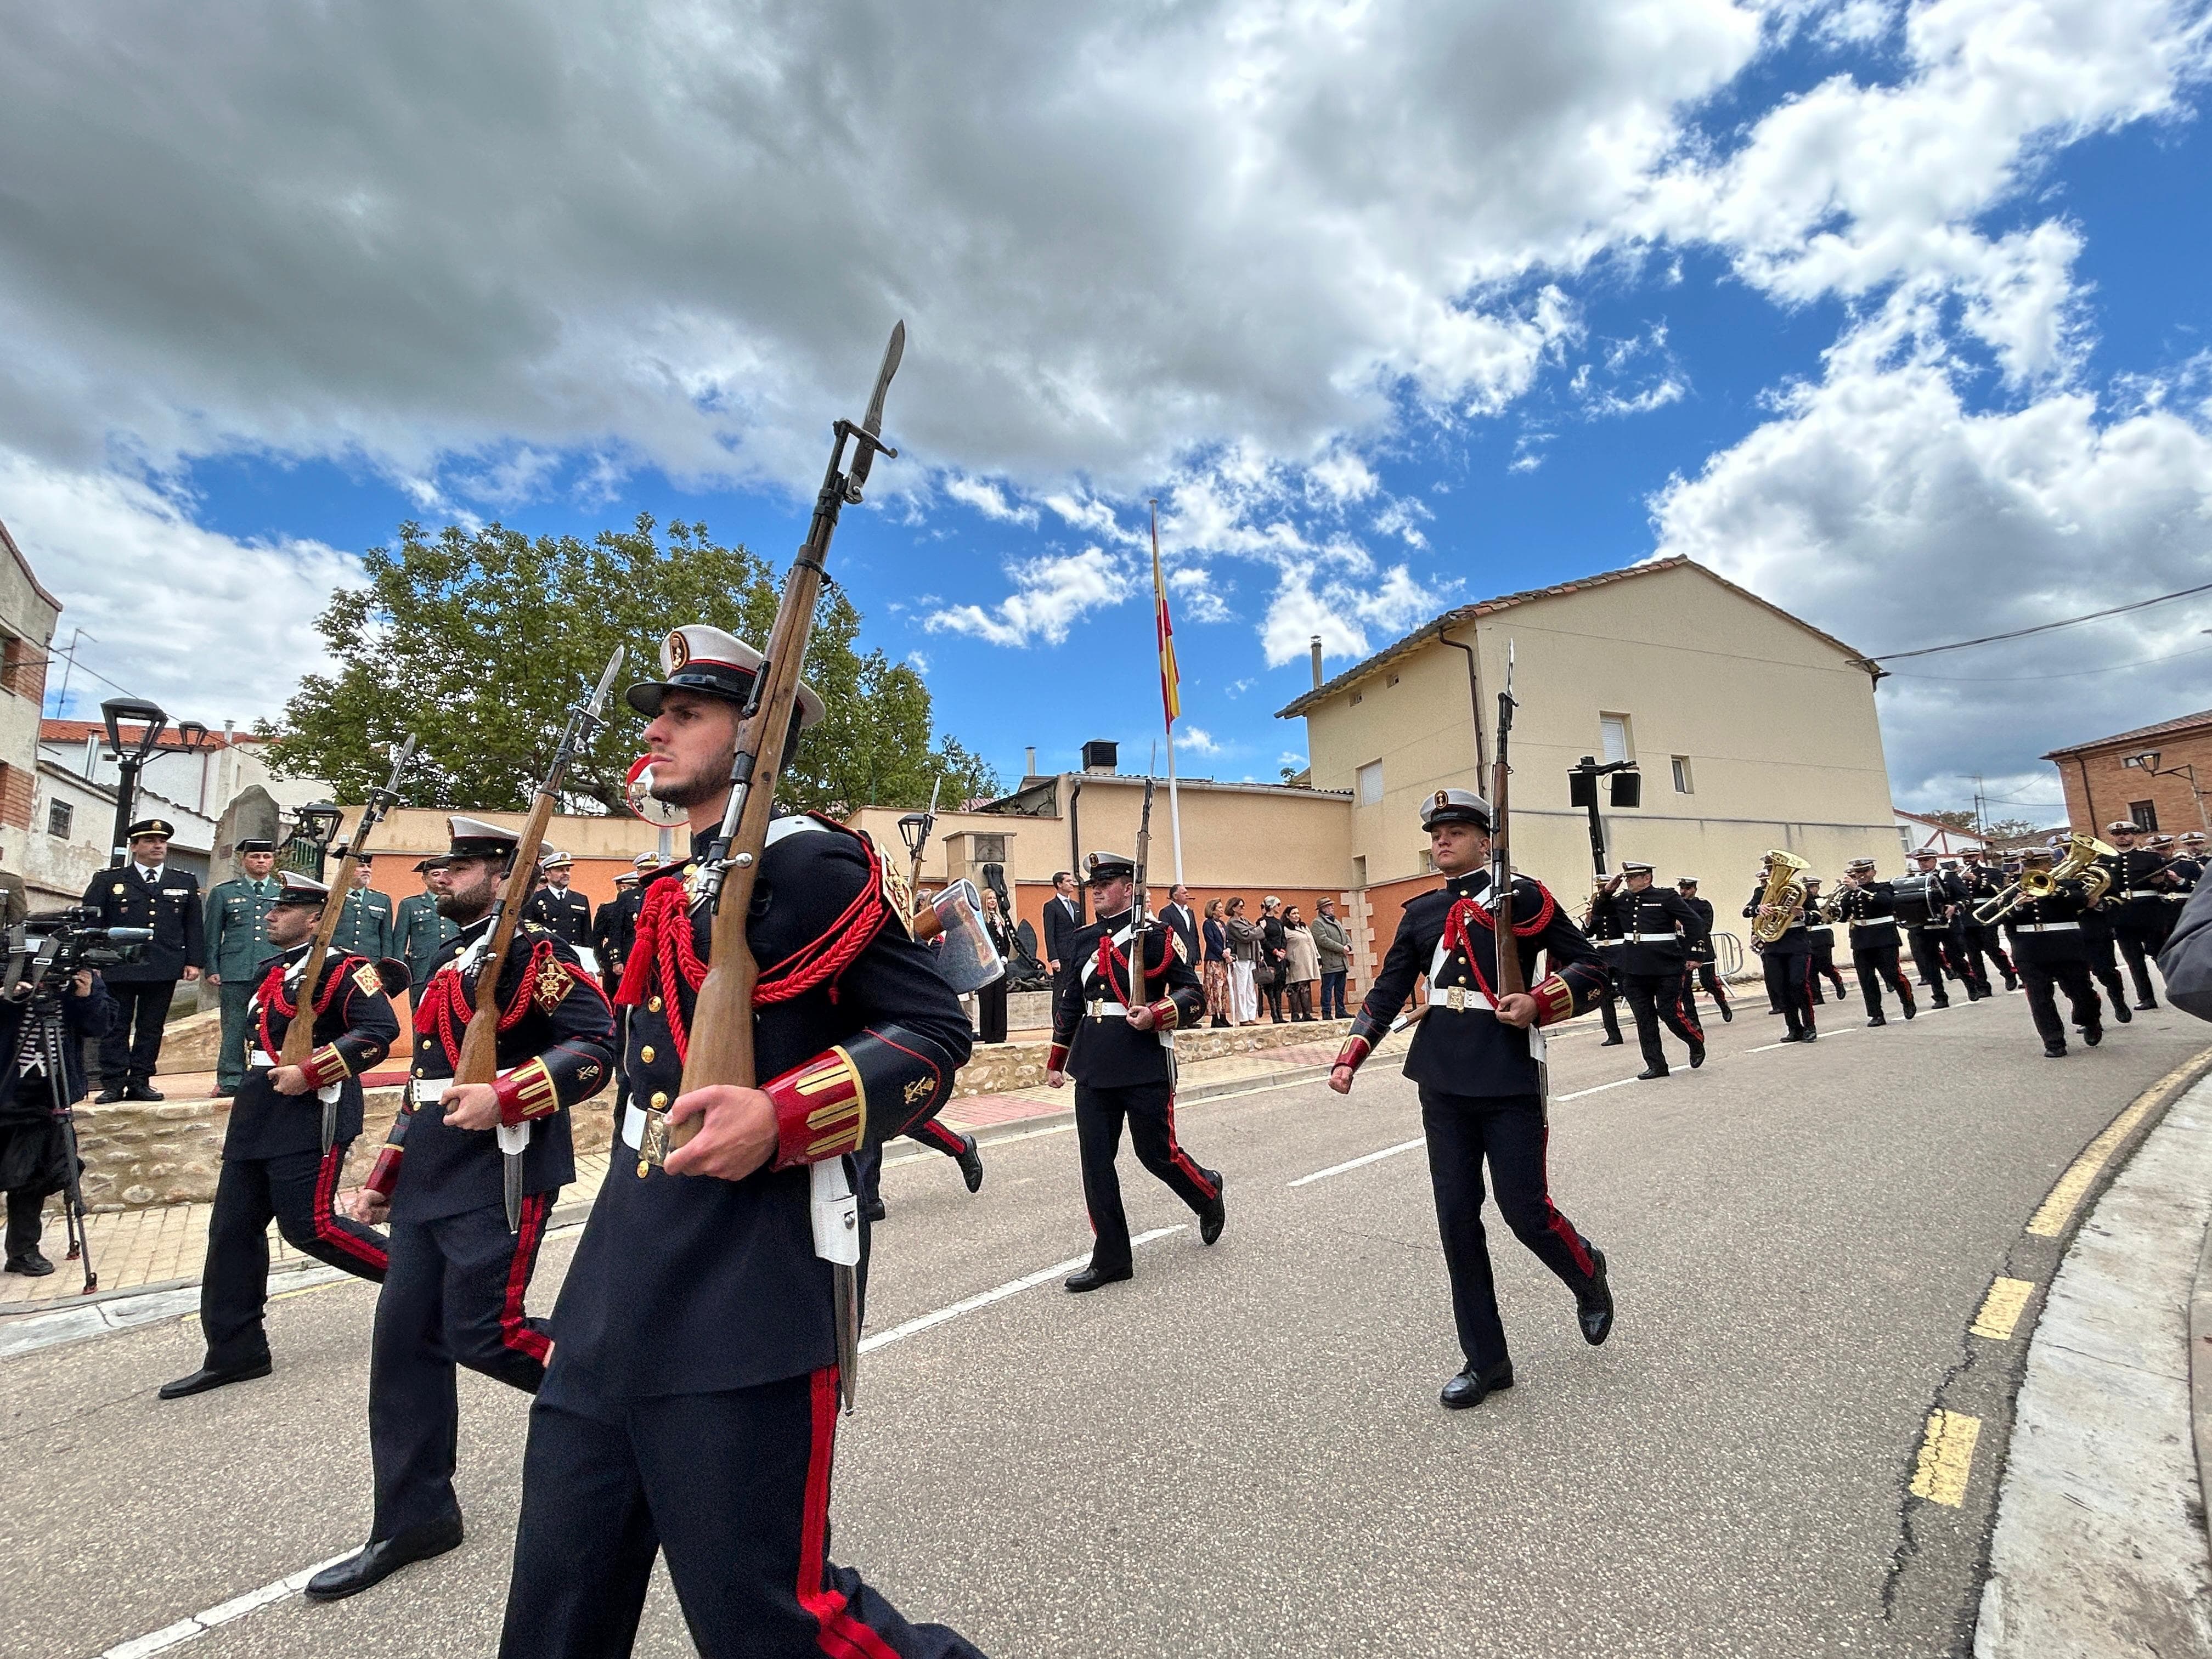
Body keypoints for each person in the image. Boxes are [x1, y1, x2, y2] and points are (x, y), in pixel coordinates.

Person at [498, 624, 988, 1658]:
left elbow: (935, 1031)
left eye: (687, 713)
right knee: (555, 1599)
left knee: (769, 1618)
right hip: (620, 1265)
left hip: (747, 1280)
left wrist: (785, 1113)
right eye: (656, 715)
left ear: (754, 733)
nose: (657, 733)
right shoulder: (672, 884)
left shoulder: (812, 862)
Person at [306, 816, 617, 1604]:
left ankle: (628, 1403)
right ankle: (414, 1516)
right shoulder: (450, 957)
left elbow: (595, 1049)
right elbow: (426, 1085)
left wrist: (512, 1093)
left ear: (502, 874)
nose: (439, 878)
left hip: (502, 1168)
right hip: (432, 1176)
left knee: (488, 1334)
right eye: (440, 867)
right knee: (405, 1345)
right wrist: (387, 1172)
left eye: (459, 866)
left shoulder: (537, 958)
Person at [1327, 788, 1612, 1409]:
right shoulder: (1422, 912)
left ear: (1486, 838)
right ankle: (1487, 1362)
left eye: (1456, 831)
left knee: (1525, 1212)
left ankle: (1587, 1273)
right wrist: (1354, 1051)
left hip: (1508, 1075)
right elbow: (1389, 987)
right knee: (1458, 1220)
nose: (1442, 842)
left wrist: (1541, 1002)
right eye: (1436, 833)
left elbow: (1591, 968)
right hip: (1442, 1077)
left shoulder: (1525, 896)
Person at [159, 872, 399, 1398]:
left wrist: (312, 1072)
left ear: (316, 919)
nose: (269, 915)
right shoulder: (274, 970)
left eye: (284, 908)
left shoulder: (348, 969)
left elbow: (379, 1033)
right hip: (259, 1106)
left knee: (311, 1228)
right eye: (272, 907)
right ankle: (235, 1351)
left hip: (314, 1108)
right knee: (231, 1234)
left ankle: (422, 1281)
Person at [1047, 850, 1223, 1293]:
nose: (1097, 892)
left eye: (1106, 884)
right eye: (1093, 886)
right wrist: (1057, 1058)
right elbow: (1073, 1001)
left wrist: (1160, 1013)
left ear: (1129, 887)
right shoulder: (1083, 939)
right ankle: (1111, 1257)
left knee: (1156, 1153)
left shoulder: (1158, 936)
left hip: (1143, 1061)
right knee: (1096, 1164)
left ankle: (1207, 1192)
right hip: (1093, 1063)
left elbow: (1194, 995)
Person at [0, 959, 111, 1276]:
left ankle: (22, 1251)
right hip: (5, 1088)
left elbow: (100, 1026)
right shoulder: (7, 969)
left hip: (48, 1096)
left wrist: (86, 995)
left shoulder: (79, 975)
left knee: (34, 1177)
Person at [80, 817, 204, 1103]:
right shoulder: (109, 881)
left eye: (162, 841)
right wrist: (92, 960)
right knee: (116, 1024)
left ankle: (140, 1080)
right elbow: (91, 921)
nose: (157, 845)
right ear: (134, 846)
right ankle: (112, 1082)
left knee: (151, 1027)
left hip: (163, 964)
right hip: (118, 965)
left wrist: (194, 961)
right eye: (149, 841)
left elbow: (193, 924)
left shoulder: (183, 881)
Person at [1592, 862, 1706, 1079]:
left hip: (1666, 966)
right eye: (1627, 878)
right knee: (1644, 1018)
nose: (1628, 881)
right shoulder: (1623, 899)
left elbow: (1695, 922)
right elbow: (1600, 913)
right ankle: (1656, 1065)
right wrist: (1607, 892)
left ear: (1647, 879)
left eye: (1633, 878)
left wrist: (1696, 955)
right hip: (1634, 968)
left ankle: (1694, 1040)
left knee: (1669, 1013)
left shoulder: (1667, 897)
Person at [1997, 843, 2104, 1059]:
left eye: (2038, 864)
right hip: (2029, 950)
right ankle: (2054, 1041)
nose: (2032, 868)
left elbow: (2082, 901)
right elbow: (2000, 917)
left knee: (2081, 992)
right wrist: (2017, 906)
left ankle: (2089, 1019)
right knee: (2039, 998)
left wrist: (2056, 891)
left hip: (2066, 946)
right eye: (2027, 864)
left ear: (2050, 863)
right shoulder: (2015, 890)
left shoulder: (2070, 883)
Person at [203, 838, 283, 1097]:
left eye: (266, 857)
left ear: (273, 861)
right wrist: (212, 967)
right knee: (235, 1025)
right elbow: (212, 935)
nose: (261, 861)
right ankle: (230, 1078)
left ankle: (266, 1075)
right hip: (236, 968)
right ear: (244, 860)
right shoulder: (224, 892)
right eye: (255, 857)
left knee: (272, 1023)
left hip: (273, 968)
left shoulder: (282, 892)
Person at [1826, 859, 1917, 1025]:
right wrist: (1827, 911)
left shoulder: (1884, 887)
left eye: (1865, 872)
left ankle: (1907, 1000)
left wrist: (1858, 889)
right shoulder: (1849, 894)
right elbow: (1843, 917)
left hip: (1884, 939)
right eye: (1858, 872)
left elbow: (1885, 902)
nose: (1861, 875)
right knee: (1866, 979)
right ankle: (1876, 1014)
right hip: (1861, 940)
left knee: (1892, 974)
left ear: (1873, 873)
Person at [2103, 820, 2177, 1011]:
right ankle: (2146, 997)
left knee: (2160, 954)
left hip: (2149, 912)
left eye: (2127, 833)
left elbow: (2167, 887)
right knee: (2134, 960)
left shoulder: (2150, 858)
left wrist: (2161, 882)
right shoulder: (2105, 860)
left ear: (2134, 836)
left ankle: (2176, 990)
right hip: (2121, 915)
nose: (2122, 837)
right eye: (2118, 834)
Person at [1745, 855, 1819, 1043]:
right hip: (1774, 946)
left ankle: (1810, 1027)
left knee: (1798, 984)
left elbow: (1818, 915)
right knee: (1781, 987)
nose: (1772, 874)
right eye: (1770, 870)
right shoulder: (1760, 892)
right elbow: (1746, 911)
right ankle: (1794, 1028)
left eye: (1774, 870)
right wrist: (1758, 909)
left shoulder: (1799, 890)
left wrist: (1803, 915)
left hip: (1797, 945)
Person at [1898, 850, 1964, 1008]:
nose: (1923, 864)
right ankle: (1939, 997)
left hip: (1948, 925)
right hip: (1925, 926)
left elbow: (1965, 897)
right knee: (1931, 963)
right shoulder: (1914, 879)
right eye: (1920, 861)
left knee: (1956, 959)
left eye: (1927, 860)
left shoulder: (1948, 876)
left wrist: (1955, 907)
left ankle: (1971, 983)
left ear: (1935, 860)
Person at [392, 859, 457, 999]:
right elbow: (399, 944)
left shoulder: (459, 903)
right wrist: (399, 975)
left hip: (453, 969)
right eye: (436, 874)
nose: (442, 878)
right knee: (420, 1016)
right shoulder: (410, 905)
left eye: (446, 874)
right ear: (424, 879)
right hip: (422, 971)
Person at [1959, 853, 2021, 993]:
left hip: (1985, 915)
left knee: (1992, 949)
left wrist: (1977, 880)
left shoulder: (1991, 872)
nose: (1968, 860)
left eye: (1971, 857)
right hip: (1966, 918)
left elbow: (1998, 890)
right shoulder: (1958, 876)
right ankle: (1982, 986)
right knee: (1973, 955)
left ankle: (2008, 973)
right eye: (1965, 858)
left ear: (1979, 858)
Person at [1673, 877, 1731, 1024]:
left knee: (1708, 982)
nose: (1683, 892)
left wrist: (1683, 925)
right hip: (1683, 951)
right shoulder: (1676, 905)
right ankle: (1693, 1019)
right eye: (1682, 888)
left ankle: (1723, 1004)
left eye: (1687, 888)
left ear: (1694, 889)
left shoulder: (1703, 905)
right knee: (1685, 987)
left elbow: (1706, 927)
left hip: (1702, 948)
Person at [1582, 878, 1628, 1046]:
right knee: (1605, 996)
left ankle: (1645, 1028)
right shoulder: (1598, 909)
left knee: (1629, 991)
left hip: (1620, 951)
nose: (1601, 891)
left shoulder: (1620, 904)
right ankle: (1614, 1035)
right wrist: (1589, 919)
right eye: (1600, 888)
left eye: (1604, 887)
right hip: (1603, 953)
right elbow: (1588, 934)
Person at [523, 849, 594, 949]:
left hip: (575, 954)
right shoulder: (535, 899)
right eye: (560, 870)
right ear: (548, 875)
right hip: (549, 953)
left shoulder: (580, 899)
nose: (566, 873)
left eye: (567, 870)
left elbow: (587, 935)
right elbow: (528, 932)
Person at [329, 855, 396, 962]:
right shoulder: (332, 898)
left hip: (370, 962)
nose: (367, 870)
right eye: (361, 866)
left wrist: (384, 966)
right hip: (338, 960)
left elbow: (386, 939)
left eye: (369, 866)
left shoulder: (382, 900)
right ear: (345, 869)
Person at [974, 885, 1014, 1045]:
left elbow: (1005, 941)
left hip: (1000, 964)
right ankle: (988, 1034)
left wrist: (1004, 956)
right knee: (987, 998)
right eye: (989, 898)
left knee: (1000, 999)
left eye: (994, 898)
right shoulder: (982, 920)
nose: (992, 901)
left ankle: (1000, 1033)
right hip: (987, 964)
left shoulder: (1000, 919)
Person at [1799, 878, 1848, 1003]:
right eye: (1808, 888)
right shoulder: (1800, 903)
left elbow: (1834, 915)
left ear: (1817, 888)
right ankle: (1817, 996)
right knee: (1810, 970)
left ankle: (1838, 982)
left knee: (1825, 966)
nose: (1810, 890)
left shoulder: (1824, 901)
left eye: (1812, 887)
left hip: (1821, 936)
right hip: (1806, 936)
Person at [1312, 896, 1351, 1019]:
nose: (1332, 908)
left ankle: (1341, 1010)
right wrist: (1341, 948)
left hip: (1341, 962)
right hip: (1329, 963)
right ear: (1323, 908)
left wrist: (1349, 946)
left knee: (1340, 990)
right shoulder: (1318, 923)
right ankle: (1327, 1012)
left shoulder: (1337, 922)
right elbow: (1323, 940)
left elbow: (1346, 935)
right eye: (1329, 906)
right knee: (1327, 989)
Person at [1225, 896, 1262, 1025]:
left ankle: (1252, 1016)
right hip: (1241, 957)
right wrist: (1259, 929)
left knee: (1250, 988)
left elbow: (1254, 934)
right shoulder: (1233, 923)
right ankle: (1243, 1018)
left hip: (1251, 957)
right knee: (1241, 988)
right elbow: (1247, 936)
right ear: (1233, 908)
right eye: (1241, 906)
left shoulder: (1244, 920)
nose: (1243, 908)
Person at [1041, 869, 1084, 977]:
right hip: (1062, 956)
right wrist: (1054, 958)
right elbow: (1049, 934)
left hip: (1077, 954)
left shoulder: (1076, 906)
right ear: (1059, 884)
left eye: (1072, 881)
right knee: (1060, 989)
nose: (1072, 884)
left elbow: (1081, 929)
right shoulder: (1051, 906)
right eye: (1068, 881)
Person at [1283, 905, 1320, 1020]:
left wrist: (1318, 957)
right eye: (1294, 914)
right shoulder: (1285, 929)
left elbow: (1312, 942)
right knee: (1294, 987)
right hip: (1294, 961)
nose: (1296, 916)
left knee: (1305, 986)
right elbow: (1283, 944)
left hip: (1307, 961)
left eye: (1298, 913)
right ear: (1288, 916)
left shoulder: (1304, 927)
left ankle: (1307, 1013)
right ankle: (1295, 1014)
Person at [1201, 898, 1234, 1027]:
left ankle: (1223, 1015)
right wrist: (1222, 953)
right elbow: (1211, 942)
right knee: (1215, 988)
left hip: (1223, 961)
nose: (1222, 910)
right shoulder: (1208, 924)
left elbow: (1229, 939)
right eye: (1219, 907)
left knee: (1224, 988)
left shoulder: (1222, 924)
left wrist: (1229, 949)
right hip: (1214, 960)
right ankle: (1215, 1017)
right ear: (1213, 910)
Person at [1259, 895, 1290, 1023]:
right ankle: (1274, 1014)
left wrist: (1282, 950)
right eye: (1278, 905)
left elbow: (1283, 938)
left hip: (1280, 958)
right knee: (1270, 986)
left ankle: (1280, 1014)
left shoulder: (1279, 922)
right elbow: (1263, 939)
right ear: (1271, 906)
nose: (1279, 908)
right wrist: (1275, 952)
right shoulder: (1262, 921)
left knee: (1279, 985)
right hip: (1269, 956)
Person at [1160, 883, 1200, 967]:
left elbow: (1194, 935)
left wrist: (1197, 954)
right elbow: (1165, 935)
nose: (1187, 895)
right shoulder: (1167, 912)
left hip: (1191, 956)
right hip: (1176, 957)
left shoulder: (1189, 912)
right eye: (1184, 893)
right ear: (1175, 896)